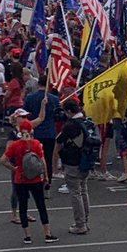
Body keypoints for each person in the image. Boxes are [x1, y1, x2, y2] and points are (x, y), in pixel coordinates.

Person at [1, 117, 57, 244]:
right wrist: (46, 176)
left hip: (20, 179)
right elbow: (42, 161)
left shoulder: (15, 145)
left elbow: (3, 160)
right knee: (41, 205)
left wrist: (14, 168)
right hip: (35, 178)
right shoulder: (36, 144)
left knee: (23, 206)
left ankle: (27, 236)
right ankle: (47, 233)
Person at [54, 96, 92, 234]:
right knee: (83, 191)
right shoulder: (87, 121)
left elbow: (59, 141)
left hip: (73, 162)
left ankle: (80, 223)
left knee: (75, 193)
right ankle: (85, 220)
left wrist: (55, 162)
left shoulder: (71, 125)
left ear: (69, 111)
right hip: (86, 160)